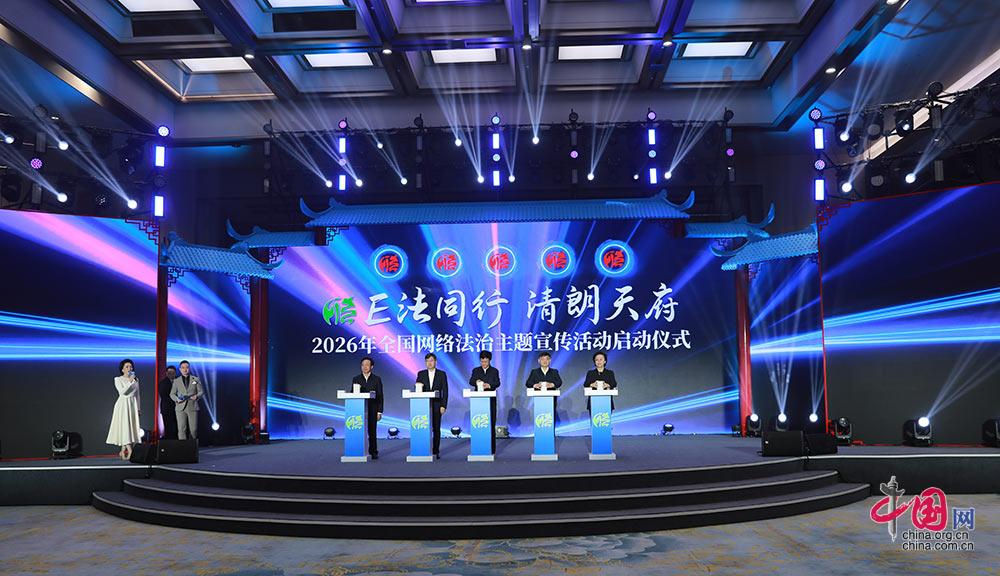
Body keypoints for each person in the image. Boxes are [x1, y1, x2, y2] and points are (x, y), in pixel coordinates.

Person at [106, 358, 142, 460]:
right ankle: (130, 451)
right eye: (127, 367)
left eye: (131, 367)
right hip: (123, 404)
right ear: (122, 369)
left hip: (132, 404)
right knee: (124, 427)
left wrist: (138, 408)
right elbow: (123, 392)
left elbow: (137, 395)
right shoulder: (118, 379)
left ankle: (122, 451)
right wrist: (129, 381)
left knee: (130, 428)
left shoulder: (136, 380)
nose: (129, 368)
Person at [415, 352, 448, 459]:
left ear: (435, 362)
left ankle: (435, 450)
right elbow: (418, 389)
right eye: (427, 361)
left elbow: (445, 391)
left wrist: (443, 405)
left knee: (436, 428)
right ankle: (424, 449)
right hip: (424, 405)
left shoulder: (441, 374)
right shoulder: (421, 374)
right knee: (423, 427)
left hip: (437, 404)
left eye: (431, 361)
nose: (429, 363)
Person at [351, 356, 384, 460]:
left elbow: (380, 396)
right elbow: (352, 394)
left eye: (367, 365)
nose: (365, 367)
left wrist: (379, 411)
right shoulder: (356, 379)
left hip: (373, 408)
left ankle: (373, 451)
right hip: (359, 410)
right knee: (359, 430)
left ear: (371, 367)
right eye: (363, 365)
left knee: (372, 431)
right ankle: (359, 450)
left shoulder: (377, 379)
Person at [469, 350, 501, 454]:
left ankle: (492, 449)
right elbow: (471, 381)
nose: (484, 363)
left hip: (490, 400)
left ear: (489, 360)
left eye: (486, 361)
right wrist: (476, 382)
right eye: (482, 361)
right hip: (478, 401)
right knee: (479, 423)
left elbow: (497, 383)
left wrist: (489, 385)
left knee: (490, 423)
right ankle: (479, 447)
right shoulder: (476, 370)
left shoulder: (494, 371)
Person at [170, 360, 203, 441]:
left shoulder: (195, 379)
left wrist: (197, 396)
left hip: (192, 406)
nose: (185, 369)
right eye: (183, 368)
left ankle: (192, 446)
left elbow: (201, 391)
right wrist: (177, 399)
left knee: (193, 430)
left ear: (189, 368)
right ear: (180, 369)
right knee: (181, 429)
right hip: (180, 407)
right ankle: (183, 447)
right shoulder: (176, 381)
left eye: (187, 367)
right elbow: (172, 394)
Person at [158, 365, 178, 440]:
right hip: (167, 409)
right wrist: (176, 399)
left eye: (173, 372)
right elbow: (164, 396)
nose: (171, 374)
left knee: (178, 427)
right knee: (168, 428)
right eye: (169, 372)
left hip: (178, 409)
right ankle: (169, 443)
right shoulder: (162, 383)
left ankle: (178, 443)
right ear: (166, 373)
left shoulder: (179, 381)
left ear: (175, 373)